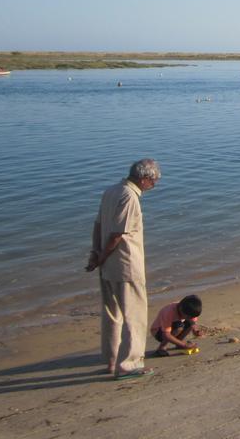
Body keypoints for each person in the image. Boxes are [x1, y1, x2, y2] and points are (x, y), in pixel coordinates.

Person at [86, 158, 161, 379]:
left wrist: (96, 253)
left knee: (112, 314)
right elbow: (117, 234)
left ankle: (111, 360)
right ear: (144, 178)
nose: (154, 186)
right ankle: (129, 365)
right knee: (135, 316)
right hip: (125, 264)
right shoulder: (129, 196)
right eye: (154, 181)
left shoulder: (111, 191)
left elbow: (98, 225)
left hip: (108, 265)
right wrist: (101, 256)